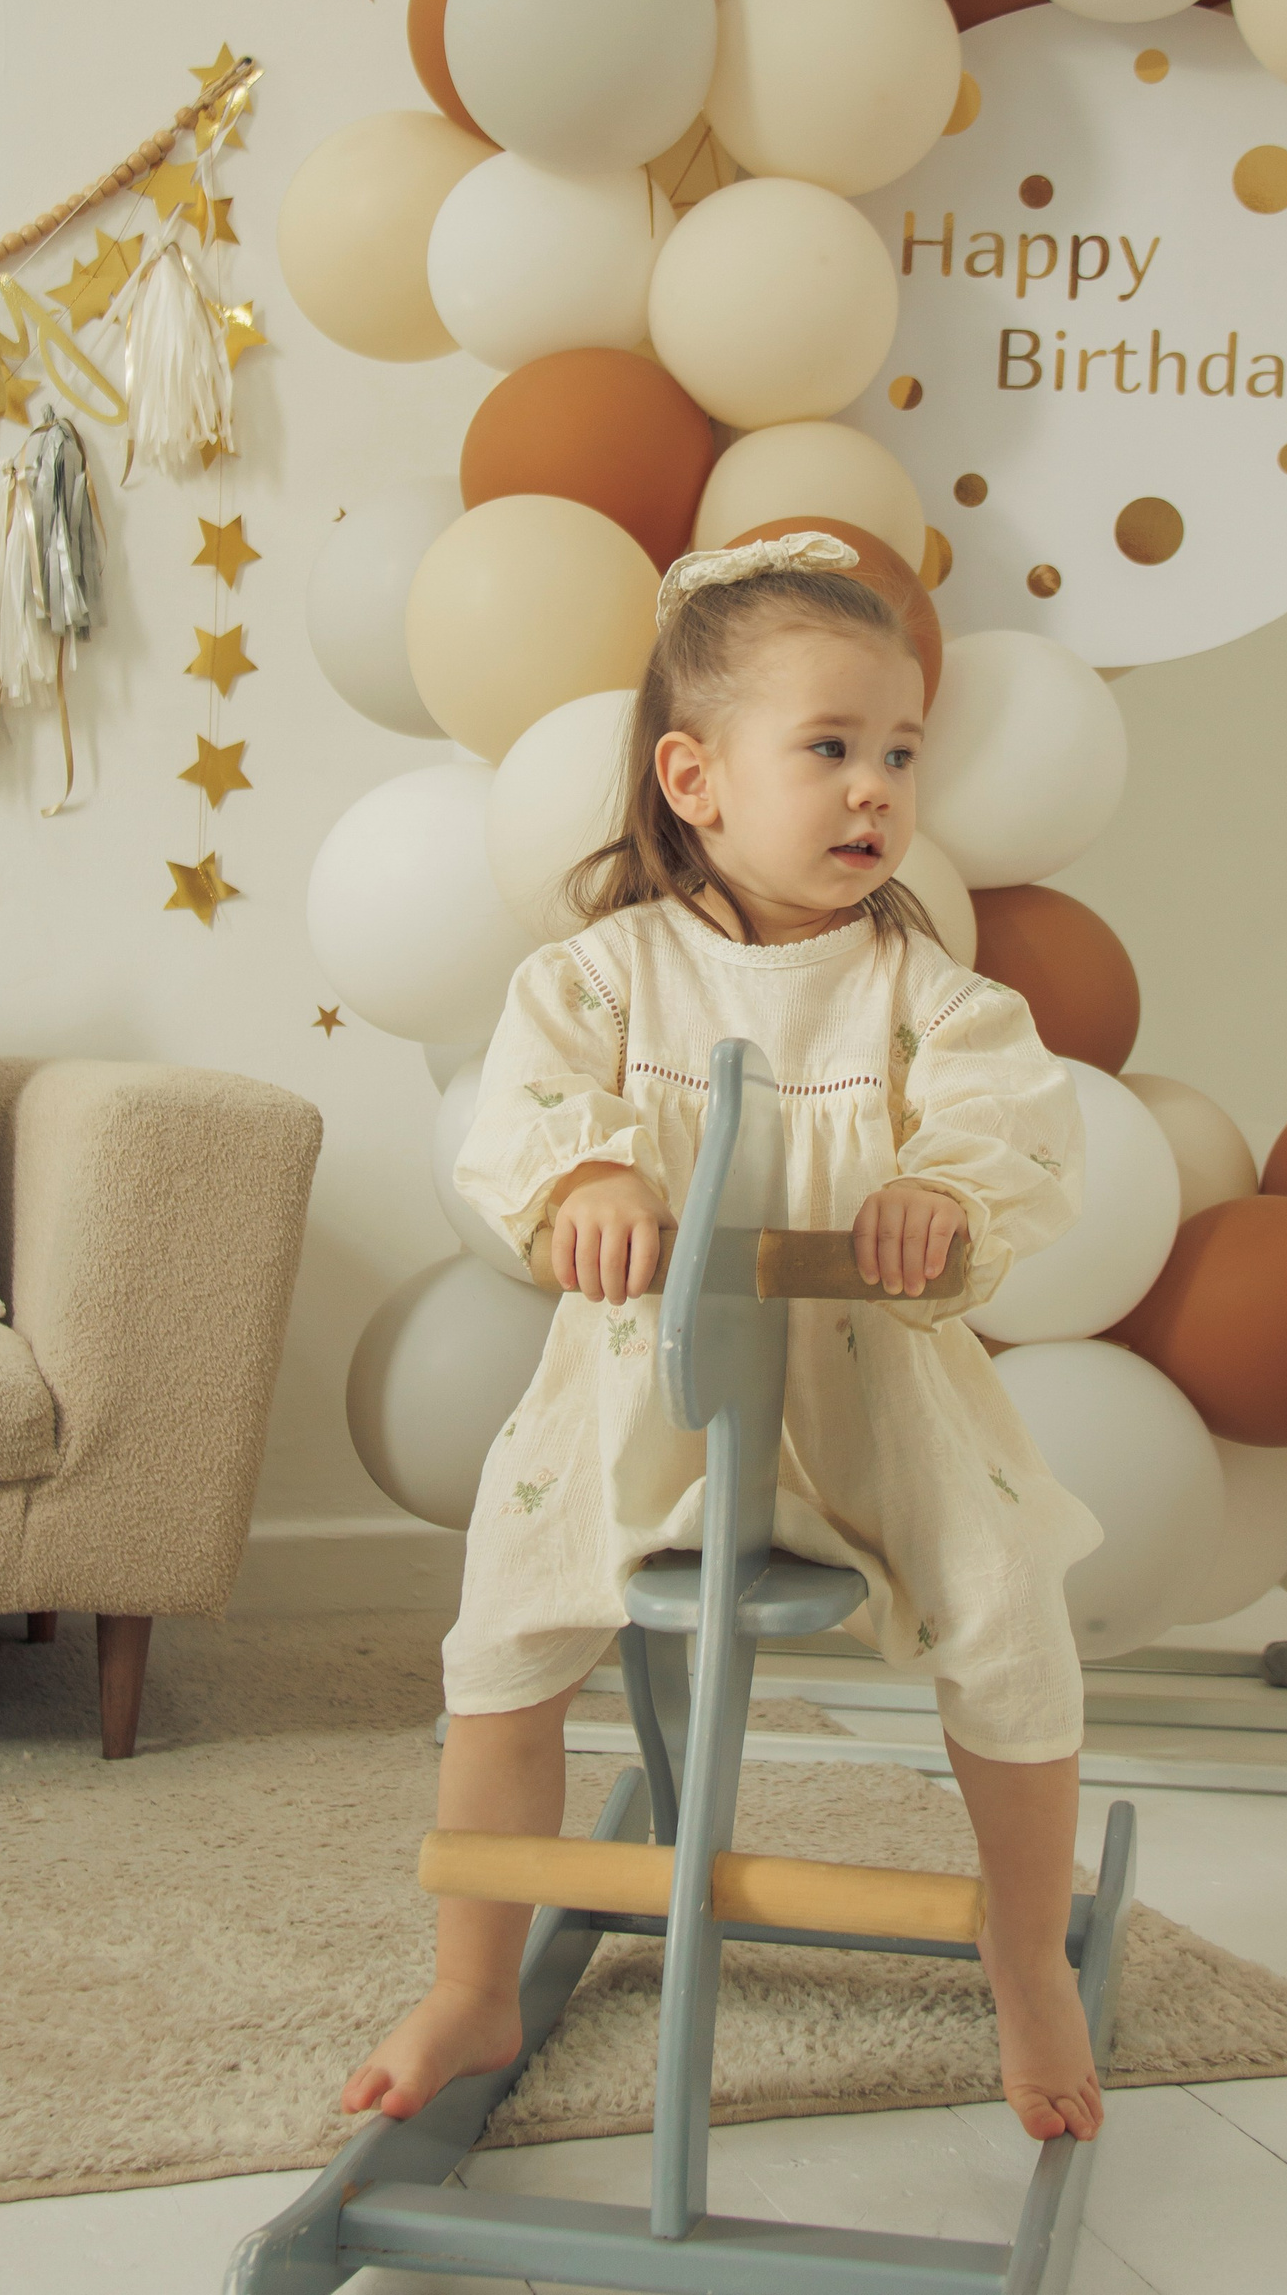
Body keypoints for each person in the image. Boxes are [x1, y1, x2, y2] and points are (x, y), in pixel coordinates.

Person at [343, 528, 1104, 2144]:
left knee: (1010, 1609)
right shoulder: (602, 977)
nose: (874, 789)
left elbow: (1015, 1119)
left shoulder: (919, 992)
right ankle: (474, 1980)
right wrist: (590, 1177)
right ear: (694, 779)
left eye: (900, 753)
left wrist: (942, 1195)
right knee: (504, 1635)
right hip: (641, 1407)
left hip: (873, 1408)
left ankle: (1028, 1952)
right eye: (829, 748)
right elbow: (522, 1120)